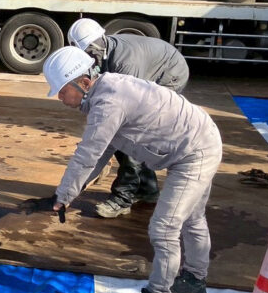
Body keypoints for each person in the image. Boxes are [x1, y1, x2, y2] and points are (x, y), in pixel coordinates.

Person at [39, 46, 222, 293]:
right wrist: (67, 195)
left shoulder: (109, 102)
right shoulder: (108, 94)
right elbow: (100, 155)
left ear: (84, 82)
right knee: (193, 218)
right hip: (199, 140)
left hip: (194, 153)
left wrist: (61, 196)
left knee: (164, 227)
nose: (60, 98)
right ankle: (195, 282)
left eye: (62, 91)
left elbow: (88, 154)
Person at [67, 18, 190, 219]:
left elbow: (126, 112)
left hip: (170, 74)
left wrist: (99, 151)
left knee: (131, 134)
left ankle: (123, 198)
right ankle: (147, 190)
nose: (88, 57)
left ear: (99, 42)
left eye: (89, 52)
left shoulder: (126, 63)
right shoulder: (100, 54)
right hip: (154, 65)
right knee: (116, 133)